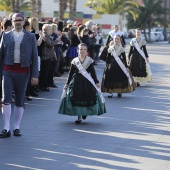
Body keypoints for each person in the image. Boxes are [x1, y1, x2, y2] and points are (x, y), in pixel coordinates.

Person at [0, 13, 39, 138]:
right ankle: (6, 128)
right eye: (15, 20)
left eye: (19, 20)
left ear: (24, 22)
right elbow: (0, 55)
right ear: (11, 22)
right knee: (6, 98)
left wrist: (35, 75)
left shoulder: (30, 36)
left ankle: (16, 127)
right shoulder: (5, 35)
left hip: (23, 72)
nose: (17, 22)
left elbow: (34, 56)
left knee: (19, 99)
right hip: (7, 70)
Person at [58, 43, 106, 124]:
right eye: (81, 49)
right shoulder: (74, 61)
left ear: (87, 51)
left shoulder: (89, 60)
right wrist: (67, 83)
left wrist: (96, 82)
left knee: (87, 97)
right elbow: (71, 73)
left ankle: (85, 112)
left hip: (87, 81)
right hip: (77, 81)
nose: (82, 51)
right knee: (77, 97)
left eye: (84, 49)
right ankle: (79, 116)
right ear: (77, 50)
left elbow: (92, 72)